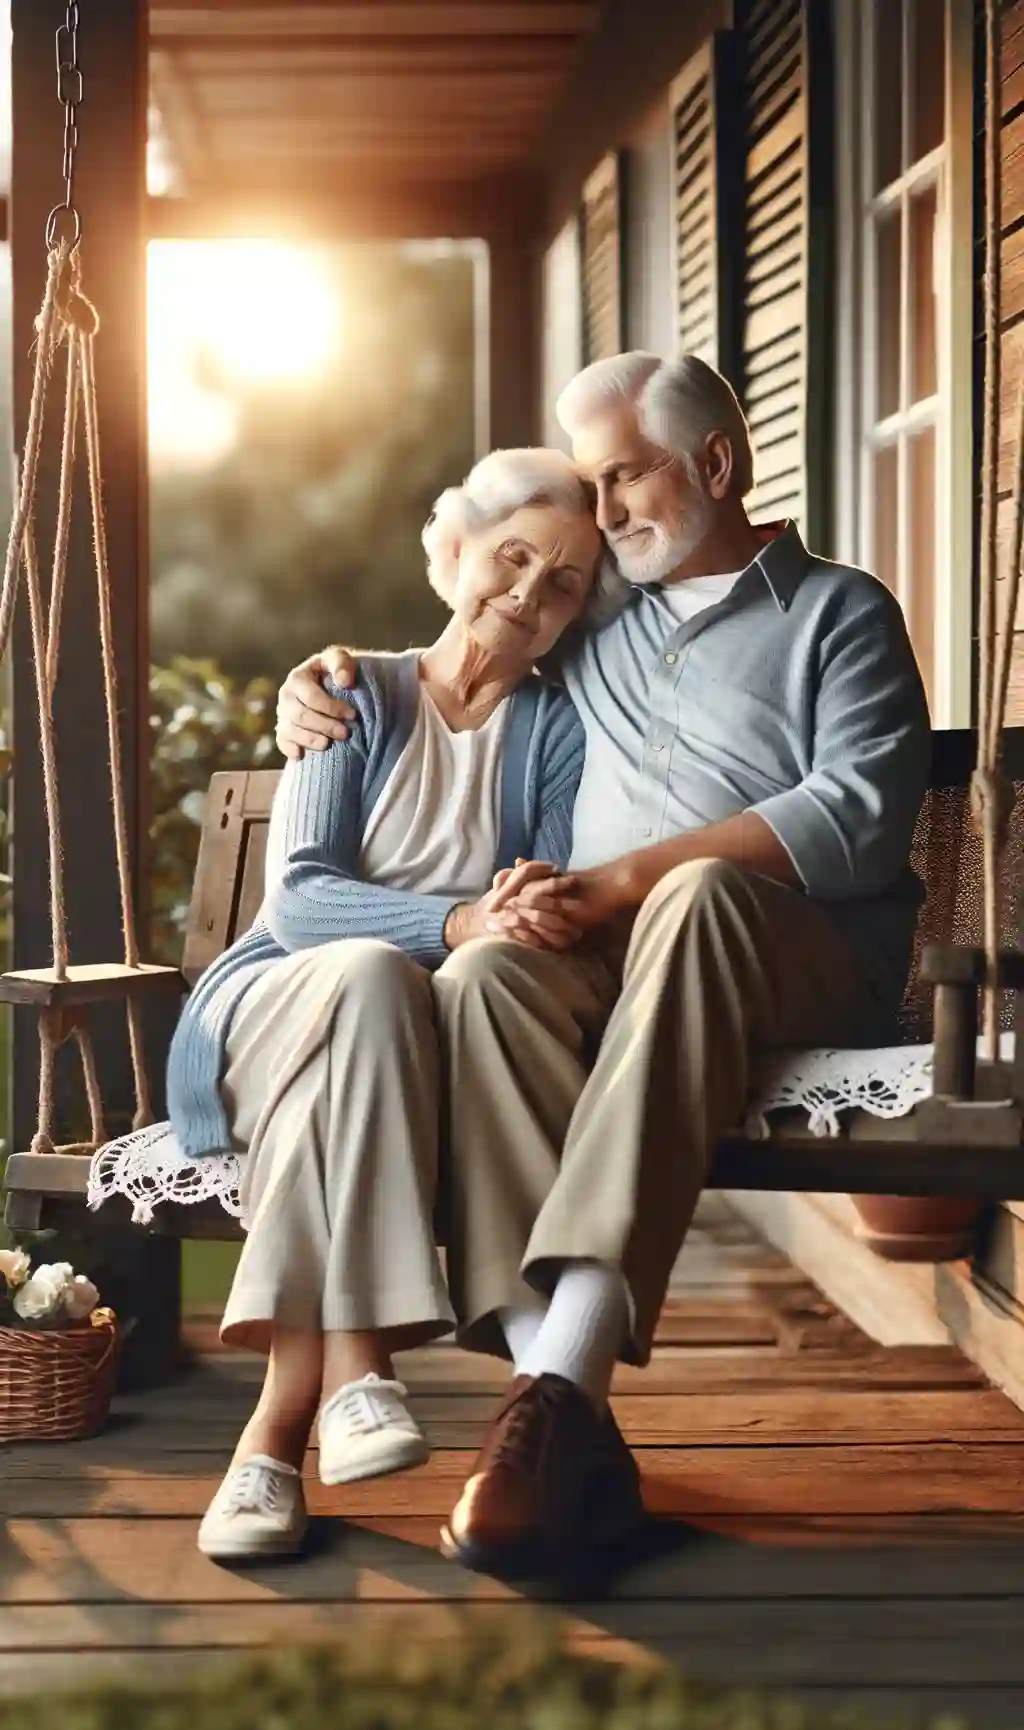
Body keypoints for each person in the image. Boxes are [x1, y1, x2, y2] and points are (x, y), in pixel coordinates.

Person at [274, 351, 932, 1583]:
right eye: (592, 483)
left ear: (717, 466)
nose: (605, 510)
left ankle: (547, 1397)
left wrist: (626, 877)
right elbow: (475, 622)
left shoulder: (839, 614)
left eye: (623, 476)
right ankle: (560, 1400)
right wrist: (321, 686)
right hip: (612, 956)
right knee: (483, 978)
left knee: (689, 893)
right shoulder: (601, 612)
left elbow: (856, 818)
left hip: (798, 957)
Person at [167, 446, 636, 1562]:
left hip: (391, 1053)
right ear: (452, 551)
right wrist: (461, 922)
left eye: (562, 581)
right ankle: (357, 1370)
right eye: (511, 556)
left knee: (375, 1008)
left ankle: (270, 1443)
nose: (526, 594)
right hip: (270, 1010)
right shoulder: (346, 690)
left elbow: (539, 894)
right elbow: (303, 901)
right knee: (373, 972)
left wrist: (505, 915)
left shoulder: (557, 731)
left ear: (578, 610)